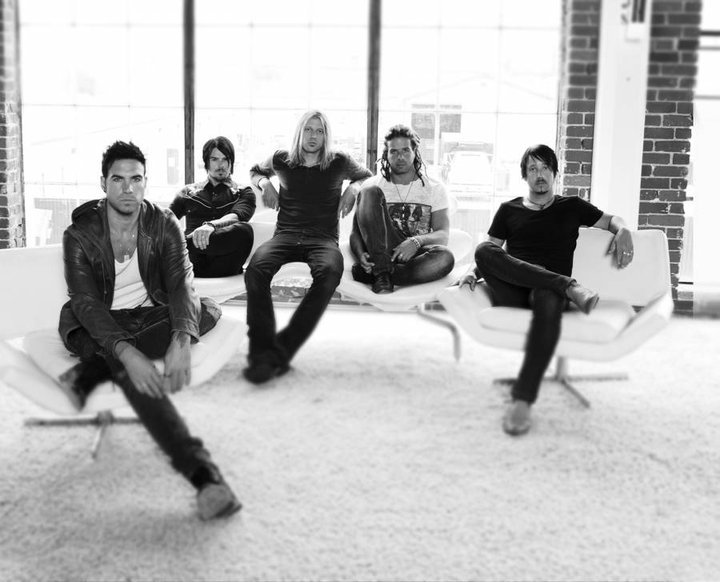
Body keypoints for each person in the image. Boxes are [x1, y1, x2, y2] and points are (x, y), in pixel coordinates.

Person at [57, 141, 241, 520]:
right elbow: (86, 303)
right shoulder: (79, 234)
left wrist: (181, 338)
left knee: (207, 307)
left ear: (145, 182)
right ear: (104, 183)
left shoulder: (163, 223)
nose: (128, 188)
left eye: (136, 179)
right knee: (122, 361)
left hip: (148, 316)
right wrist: (128, 353)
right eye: (118, 179)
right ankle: (203, 476)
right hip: (95, 325)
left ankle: (91, 372)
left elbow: (181, 283)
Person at [459, 144, 634, 436]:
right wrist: (471, 273)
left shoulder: (572, 206)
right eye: (532, 169)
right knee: (482, 250)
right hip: (514, 291)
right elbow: (491, 252)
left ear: (554, 172)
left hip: (547, 296)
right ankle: (568, 285)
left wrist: (623, 228)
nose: (539, 174)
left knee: (547, 293)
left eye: (544, 168)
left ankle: (522, 399)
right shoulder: (508, 210)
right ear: (524, 175)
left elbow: (610, 220)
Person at [246, 110, 372, 384]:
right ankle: (262, 351)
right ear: (299, 132)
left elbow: (367, 176)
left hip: (322, 239)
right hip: (285, 235)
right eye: (308, 130)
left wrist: (353, 189)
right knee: (255, 269)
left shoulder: (339, 161)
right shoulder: (281, 159)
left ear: (326, 135)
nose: (313, 136)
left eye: (320, 131)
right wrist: (265, 183)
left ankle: (280, 351)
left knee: (330, 273)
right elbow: (255, 171)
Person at [350, 124, 455, 294]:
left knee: (445, 257)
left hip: (414, 256)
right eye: (394, 152)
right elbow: (356, 233)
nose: (400, 157)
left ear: (415, 152)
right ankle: (382, 269)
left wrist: (416, 241)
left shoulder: (435, 188)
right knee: (369, 191)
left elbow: (443, 235)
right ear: (386, 154)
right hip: (382, 249)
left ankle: (380, 274)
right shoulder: (372, 185)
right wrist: (360, 254)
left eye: (406, 150)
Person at [170, 136, 255, 277]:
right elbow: (166, 220)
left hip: (225, 262)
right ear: (206, 162)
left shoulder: (243, 192)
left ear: (231, 162)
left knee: (245, 230)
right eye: (214, 159)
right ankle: (180, 246)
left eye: (225, 159)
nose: (220, 165)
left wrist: (211, 226)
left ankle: (180, 245)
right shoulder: (188, 192)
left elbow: (238, 215)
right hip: (192, 261)